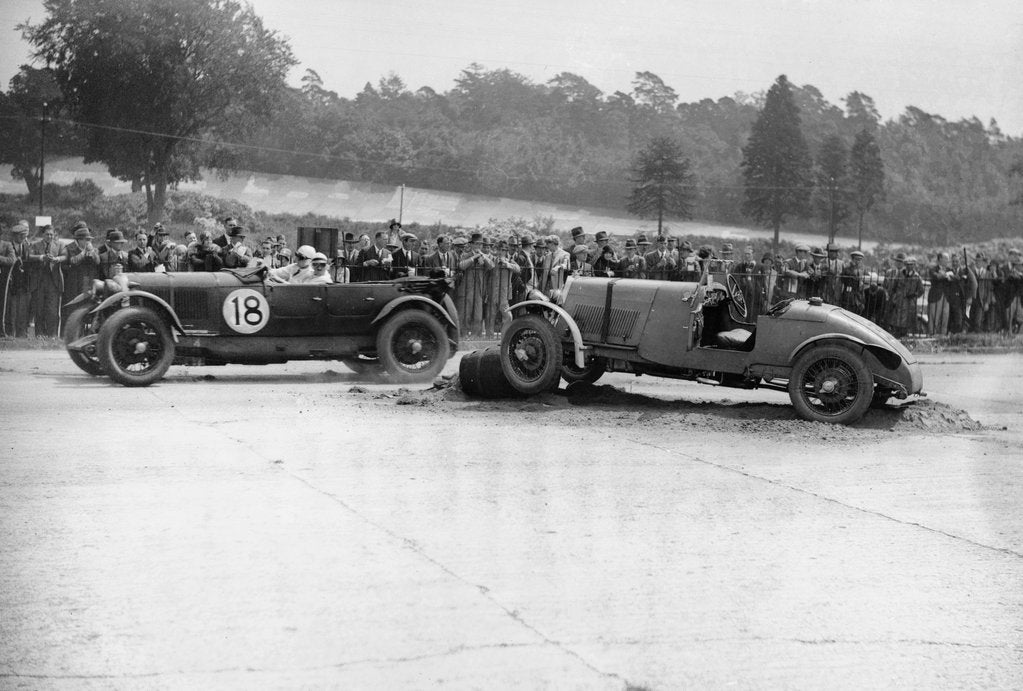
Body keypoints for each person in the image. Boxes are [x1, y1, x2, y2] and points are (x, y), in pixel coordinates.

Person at [56, 221, 101, 319]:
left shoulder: (94, 249)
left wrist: (92, 252)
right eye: (86, 239)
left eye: (89, 239)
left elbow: (97, 262)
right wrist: (84, 252)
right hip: (73, 282)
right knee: (71, 307)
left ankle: (82, 332)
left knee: (84, 306)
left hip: (86, 281)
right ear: (79, 240)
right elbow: (73, 261)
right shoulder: (70, 248)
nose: (88, 242)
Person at [27, 224, 63, 337]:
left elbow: (65, 256)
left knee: (52, 310)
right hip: (39, 281)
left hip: (53, 282)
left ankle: (52, 335)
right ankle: (39, 334)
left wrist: (57, 259)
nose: (49, 236)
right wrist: (41, 257)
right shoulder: (35, 245)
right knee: (39, 309)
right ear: (43, 235)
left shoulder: (59, 245)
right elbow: (29, 256)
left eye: (52, 234)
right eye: (47, 234)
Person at [457, 232, 493, 336]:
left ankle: (475, 337)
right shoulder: (465, 255)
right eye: (476, 244)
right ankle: (463, 336)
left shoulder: (483, 256)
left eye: (480, 244)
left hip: (479, 290)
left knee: (478, 315)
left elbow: (491, 266)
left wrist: (482, 256)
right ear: (471, 244)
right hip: (467, 289)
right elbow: (461, 266)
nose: (479, 246)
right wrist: (474, 258)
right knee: (466, 315)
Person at [2, 221, 33, 337]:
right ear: (15, 236)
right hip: (10, 282)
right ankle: (10, 333)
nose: (23, 238)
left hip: (23, 282)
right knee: (10, 309)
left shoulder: (26, 246)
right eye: (21, 236)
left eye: (24, 236)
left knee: (23, 309)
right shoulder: (7, 245)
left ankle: (22, 334)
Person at [484, 240, 520, 337]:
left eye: (503, 250)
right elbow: (487, 271)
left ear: (506, 251)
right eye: (499, 250)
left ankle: (505, 336)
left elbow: (518, 269)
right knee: (490, 315)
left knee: (507, 315)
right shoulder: (493, 260)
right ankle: (489, 336)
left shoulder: (509, 261)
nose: (501, 252)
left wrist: (507, 265)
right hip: (492, 292)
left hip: (504, 293)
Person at [889, 256, 925, 337]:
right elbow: (893, 287)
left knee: (908, 321)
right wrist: (895, 297)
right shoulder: (900, 274)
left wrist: (914, 295)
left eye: (911, 265)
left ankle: (905, 335)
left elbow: (921, 290)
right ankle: (897, 334)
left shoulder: (916, 276)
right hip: (899, 301)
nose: (909, 266)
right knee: (897, 320)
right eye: (908, 264)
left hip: (910, 302)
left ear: (914, 265)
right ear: (905, 265)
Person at [927, 252, 952, 335]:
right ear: (940, 259)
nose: (948, 261)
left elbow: (953, 279)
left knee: (945, 317)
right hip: (935, 297)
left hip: (946, 297)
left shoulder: (949, 270)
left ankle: (942, 336)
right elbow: (936, 277)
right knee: (934, 318)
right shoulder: (933, 269)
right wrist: (945, 276)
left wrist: (946, 275)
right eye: (946, 258)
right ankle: (932, 335)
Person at [839, 250, 867, 314]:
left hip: (858, 295)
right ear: (852, 259)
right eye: (856, 259)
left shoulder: (861, 270)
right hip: (849, 293)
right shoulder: (847, 268)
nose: (858, 262)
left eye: (860, 260)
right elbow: (843, 278)